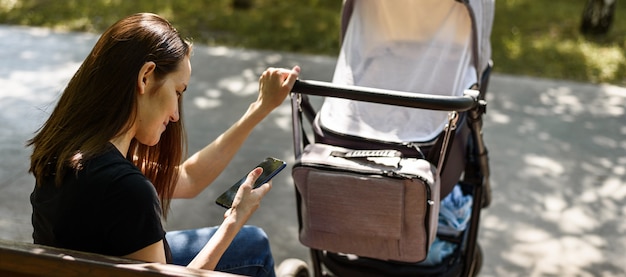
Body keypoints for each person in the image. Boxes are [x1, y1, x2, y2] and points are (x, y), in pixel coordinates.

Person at [27, 13, 300, 277]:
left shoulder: (66, 153)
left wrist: (259, 109)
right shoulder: (128, 189)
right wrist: (234, 220)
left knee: (251, 241)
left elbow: (189, 178)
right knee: (252, 247)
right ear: (145, 77)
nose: (175, 115)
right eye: (178, 92)